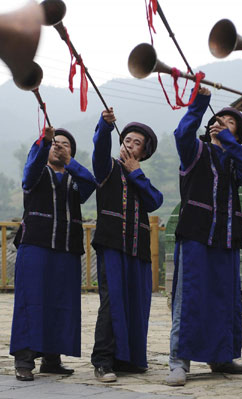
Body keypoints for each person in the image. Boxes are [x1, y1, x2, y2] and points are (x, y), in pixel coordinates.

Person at [165, 87, 242, 387]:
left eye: (229, 122)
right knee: (189, 298)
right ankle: (179, 362)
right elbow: (182, 132)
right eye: (217, 120)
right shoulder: (195, 151)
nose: (220, 123)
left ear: (236, 134)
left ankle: (222, 356)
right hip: (195, 233)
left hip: (227, 237)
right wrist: (200, 103)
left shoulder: (235, 161)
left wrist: (229, 142)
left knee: (225, 299)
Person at [9, 127, 96, 381]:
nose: (59, 146)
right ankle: (24, 360)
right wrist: (42, 143)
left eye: (65, 144)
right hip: (35, 244)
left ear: (72, 152)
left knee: (61, 302)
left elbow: (91, 184)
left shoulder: (75, 179)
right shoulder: (36, 173)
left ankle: (52, 358)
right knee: (31, 300)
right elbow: (29, 172)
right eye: (54, 143)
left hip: (67, 248)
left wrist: (70, 163)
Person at [90, 107, 163, 383]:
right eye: (127, 140)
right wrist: (105, 126)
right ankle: (103, 361)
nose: (130, 145)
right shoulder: (106, 168)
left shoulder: (140, 177)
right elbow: (99, 148)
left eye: (137, 143)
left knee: (136, 302)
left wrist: (136, 173)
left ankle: (127, 359)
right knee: (111, 302)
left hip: (138, 249)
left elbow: (155, 201)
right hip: (111, 244)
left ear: (143, 153)